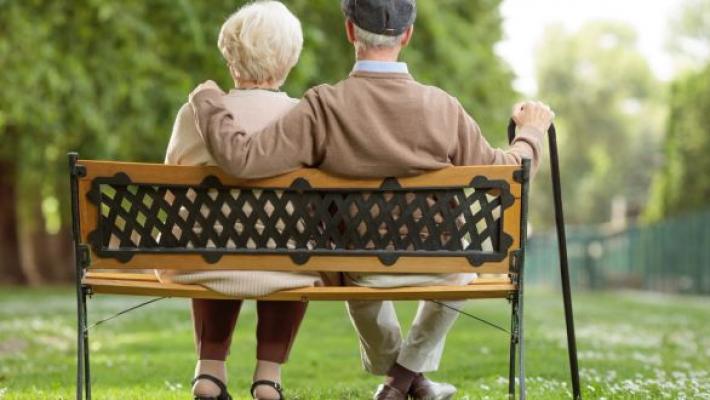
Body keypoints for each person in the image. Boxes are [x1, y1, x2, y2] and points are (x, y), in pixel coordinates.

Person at [187, 1, 555, 399]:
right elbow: (511, 174)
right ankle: (405, 379)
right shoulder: (443, 108)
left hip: (362, 269)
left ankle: (400, 381)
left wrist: (207, 99)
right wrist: (530, 132)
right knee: (463, 268)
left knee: (355, 263)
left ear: (350, 31)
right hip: (441, 264)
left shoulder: (324, 106)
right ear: (408, 35)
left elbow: (244, 159)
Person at [155, 2, 326, 399]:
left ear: (230, 58)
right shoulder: (302, 117)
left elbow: (168, 188)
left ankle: (209, 372)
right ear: (289, 60)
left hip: (203, 263)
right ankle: (268, 378)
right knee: (290, 246)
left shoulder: (193, 114)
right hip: (286, 268)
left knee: (214, 239)